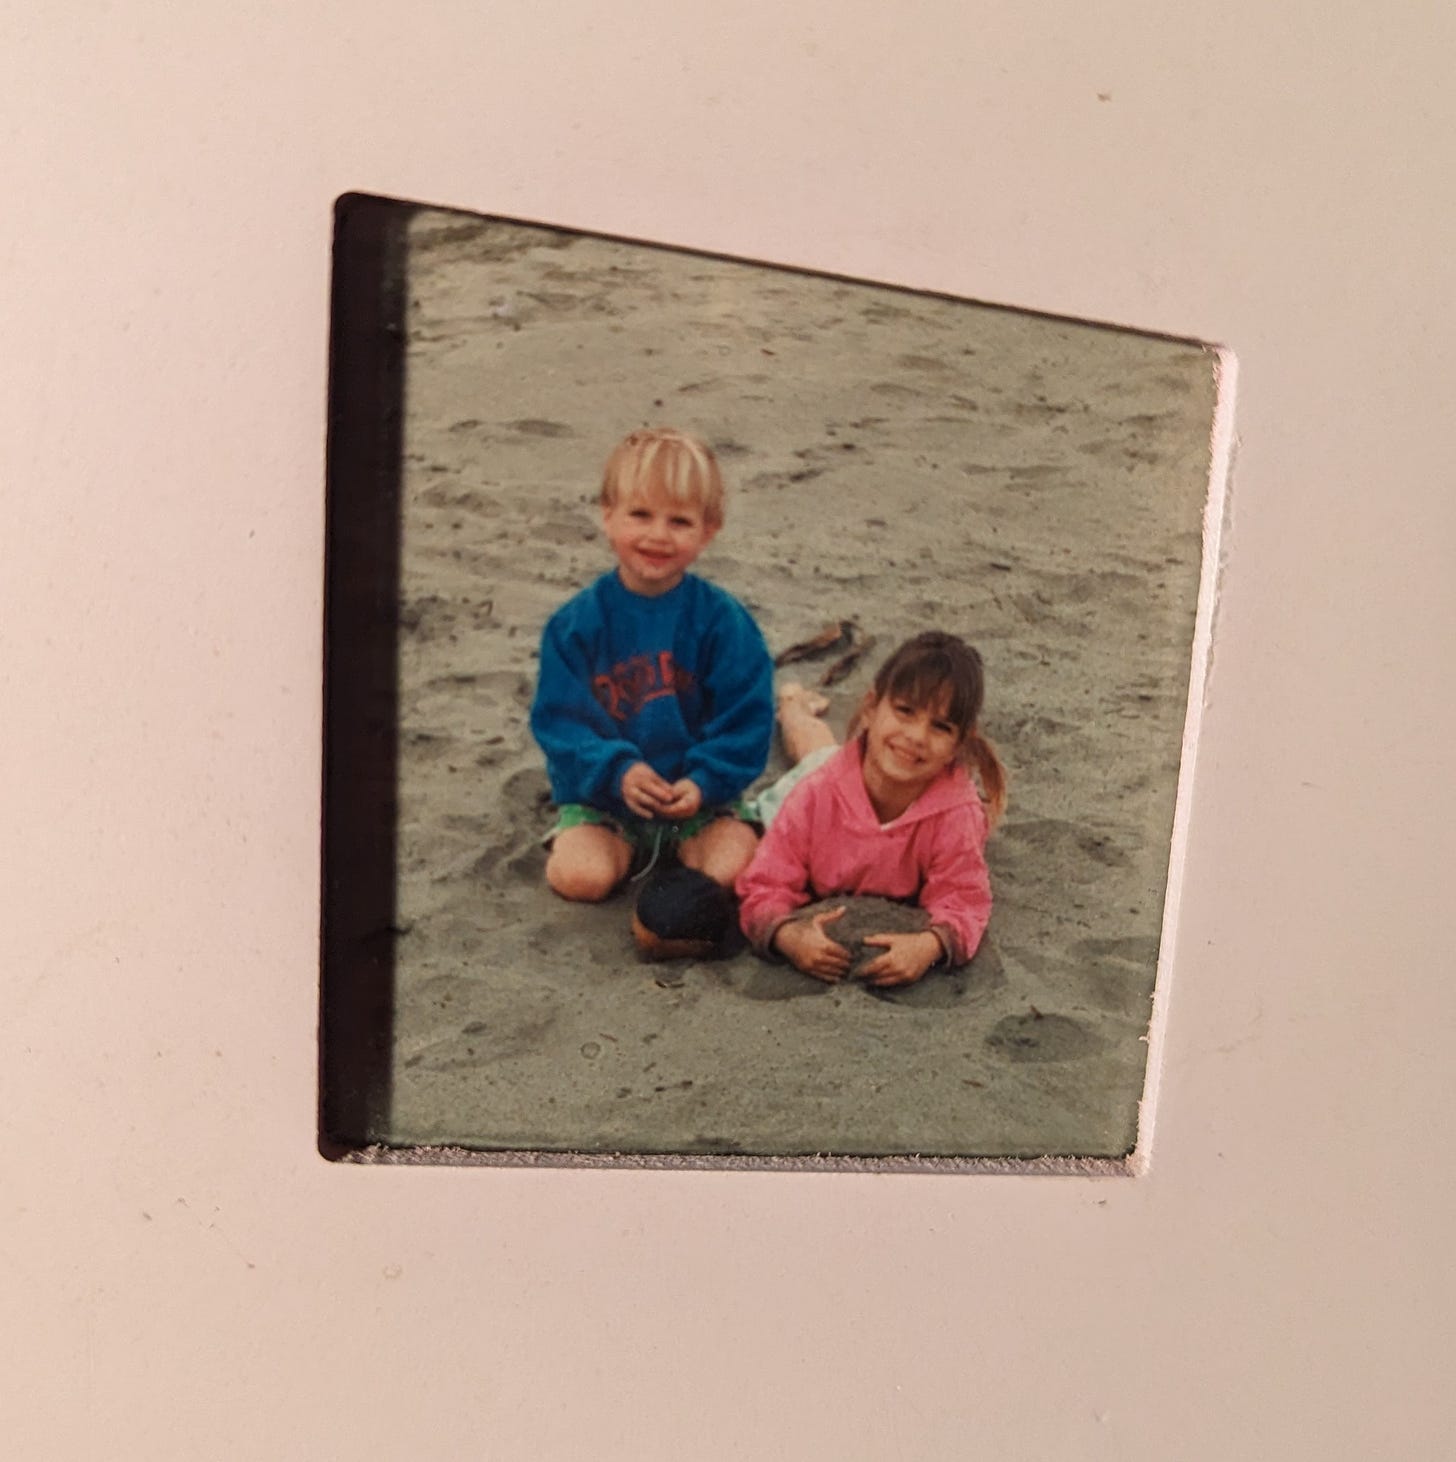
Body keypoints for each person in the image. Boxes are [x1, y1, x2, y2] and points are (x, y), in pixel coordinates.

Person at [530, 428, 774, 903]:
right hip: (606, 803)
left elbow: (746, 720)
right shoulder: (574, 625)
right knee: (580, 878)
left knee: (735, 866)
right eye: (640, 514)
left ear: (709, 530)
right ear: (607, 516)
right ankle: (618, 850)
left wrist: (703, 782)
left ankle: (683, 867)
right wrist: (616, 770)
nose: (657, 535)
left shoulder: (724, 623)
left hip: (698, 802)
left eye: (679, 521)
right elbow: (560, 724)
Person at [736, 631, 1007, 987]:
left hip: (859, 766)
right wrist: (789, 936)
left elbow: (963, 899)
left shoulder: (956, 813)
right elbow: (764, 883)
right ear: (871, 707)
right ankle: (792, 704)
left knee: (824, 751)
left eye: (940, 727)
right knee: (814, 752)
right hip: (819, 785)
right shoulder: (812, 795)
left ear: (960, 744)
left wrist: (929, 945)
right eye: (905, 711)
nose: (916, 736)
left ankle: (799, 708)